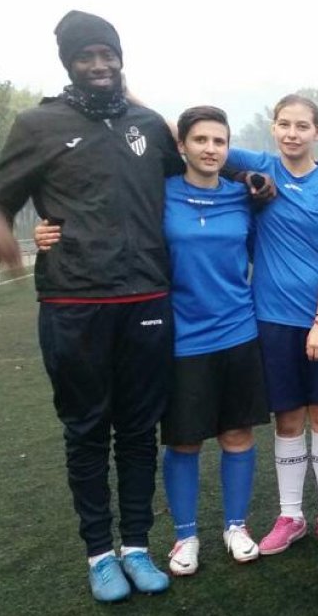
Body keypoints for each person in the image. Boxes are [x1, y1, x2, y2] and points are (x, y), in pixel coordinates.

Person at [0, 10, 182, 602]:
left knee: (141, 430)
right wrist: (5, 244)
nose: (99, 64)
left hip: (146, 296)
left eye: (107, 54)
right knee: (87, 430)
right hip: (73, 301)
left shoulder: (146, 124)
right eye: (86, 56)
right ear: (68, 62)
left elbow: (195, 162)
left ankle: (137, 547)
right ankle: (99, 555)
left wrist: (254, 181)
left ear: (121, 59)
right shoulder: (38, 123)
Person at [34, 106, 271, 576]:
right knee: (183, 441)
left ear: (228, 149)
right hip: (181, 336)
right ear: (180, 146)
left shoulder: (242, 197)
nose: (209, 149)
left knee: (236, 434)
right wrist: (51, 232)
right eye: (199, 140)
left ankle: (236, 527)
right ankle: (185, 537)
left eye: (218, 141)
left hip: (239, 331)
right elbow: (104, 217)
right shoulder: (158, 195)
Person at [224, 94, 318, 555]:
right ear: (273, 128)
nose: (292, 133)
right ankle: (290, 515)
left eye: (302, 126)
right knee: (287, 418)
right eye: (284, 124)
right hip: (272, 319)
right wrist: (244, 176)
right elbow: (196, 144)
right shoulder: (260, 165)